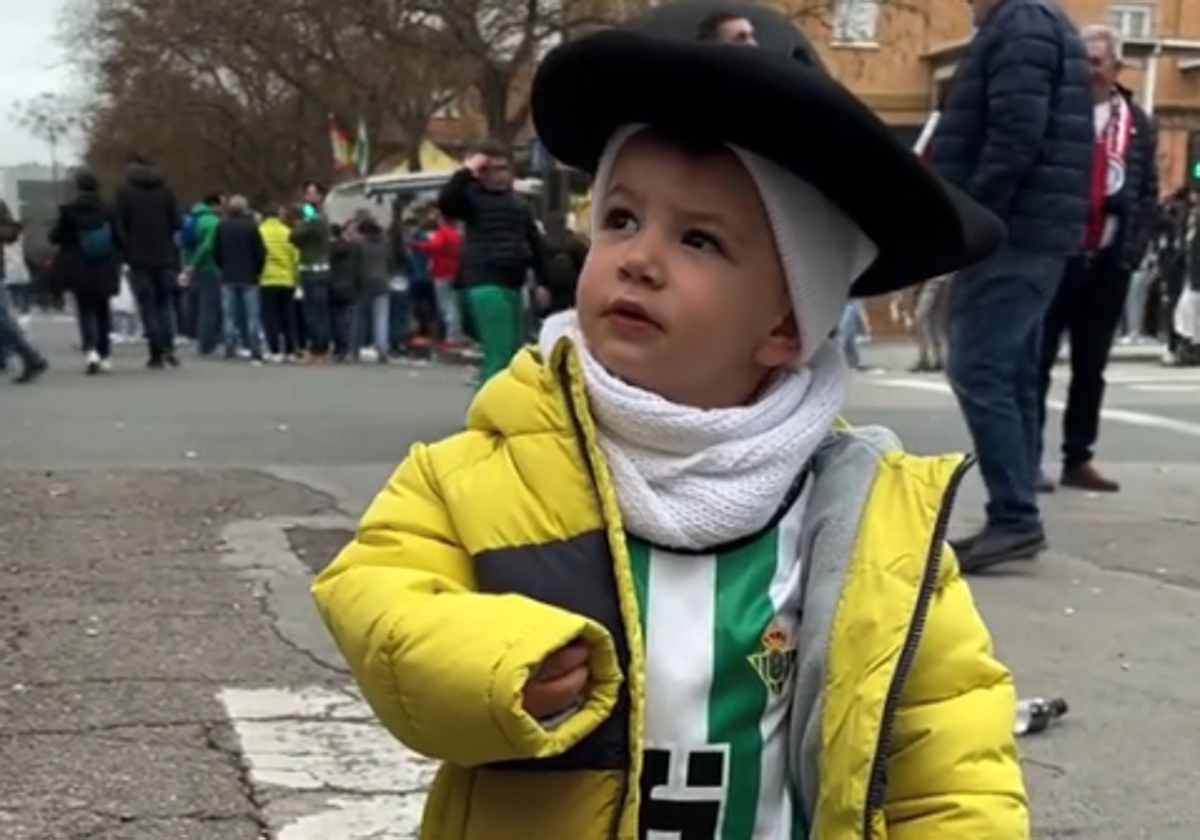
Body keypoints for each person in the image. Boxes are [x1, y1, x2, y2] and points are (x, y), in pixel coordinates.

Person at [312, 5, 1025, 839]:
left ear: (788, 324)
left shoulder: (869, 525)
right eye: (620, 218)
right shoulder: (481, 469)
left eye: (699, 240)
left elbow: (948, 753)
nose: (639, 258)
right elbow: (381, 600)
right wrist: (489, 662)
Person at [927, 0, 1093, 571]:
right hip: (1037, 229)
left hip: (1014, 231)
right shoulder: (1042, 24)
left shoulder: (1021, 25)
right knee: (1014, 369)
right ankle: (1016, 508)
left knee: (980, 366)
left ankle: (1015, 513)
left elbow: (1015, 134)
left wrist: (972, 215)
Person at [1034, 24, 1158, 495]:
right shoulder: (1060, 114)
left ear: (1116, 66)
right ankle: (1028, 459)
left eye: (1096, 60)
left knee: (1091, 367)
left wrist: (1131, 251)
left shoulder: (1138, 122)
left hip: (1107, 262)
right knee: (1038, 362)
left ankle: (1078, 457)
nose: (1088, 69)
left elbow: (1147, 192)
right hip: (1057, 257)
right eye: (1081, 60)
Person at [438, 141, 550, 387]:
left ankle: (497, 404)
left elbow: (536, 244)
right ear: (481, 173)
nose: (499, 175)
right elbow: (446, 200)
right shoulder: (471, 199)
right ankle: (488, 412)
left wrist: (544, 281)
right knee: (499, 351)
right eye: (490, 169)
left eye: (503, 168)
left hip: (513, 282)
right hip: (482, 280)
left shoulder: (520, 204)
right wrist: (467, 170)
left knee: (510, 351)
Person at [49, 168, 124, 374]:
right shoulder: (109, 209)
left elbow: (54, 237)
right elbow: (120, 237)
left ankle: (90, 351)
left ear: (78, 187)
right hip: (105, 266)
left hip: (78, 267)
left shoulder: (68, 211)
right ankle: (105, 354)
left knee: (84, 310)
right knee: (103, 310)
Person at [115, 153, 183, 368]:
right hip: (164, 256)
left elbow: (119, 225)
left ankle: (156, 352)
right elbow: (177, 223)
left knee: (148, 305)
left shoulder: (124, 193)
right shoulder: (166, 192)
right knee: (165, 304)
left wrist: (125, 248)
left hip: (138, 258)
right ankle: (169, 347)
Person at [213, 195, 267, 363]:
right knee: (252, 315)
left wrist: (222, 266)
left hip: (228, 274)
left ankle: (229, 347)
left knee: (229, 314)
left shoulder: (222, 226)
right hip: (249, 275)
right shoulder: (251, 226)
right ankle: (254, 348)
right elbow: (260, 251)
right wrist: (258, 269)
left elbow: (216, 250)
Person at [291, 181, 333, 364]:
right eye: (306, 193)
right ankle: (320, 349)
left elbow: (295, 236)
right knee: (317, 313)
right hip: (312, 268)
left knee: (315, 314)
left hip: (314, 271)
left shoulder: (317, 219)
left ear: (320, 196)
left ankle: (318, 351)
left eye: (312, 193)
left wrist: (300, 222)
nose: (307, 197)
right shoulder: (314, 216)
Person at [410, 209, 464, 345]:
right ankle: (456, 334)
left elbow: (435, 246)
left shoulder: (444, 232)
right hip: (455, 272)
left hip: (441, 272)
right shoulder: (458, 233)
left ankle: (451, 337)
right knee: (454, 304)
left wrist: (416, 245)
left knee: (446, 305)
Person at [181, 193, 225, 357]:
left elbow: (184, 245)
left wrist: (187, 265)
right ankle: (208, 344)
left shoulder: (191, 218)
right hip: (211, 267)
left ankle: (199, 338)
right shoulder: (213, 222)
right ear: (214, 205)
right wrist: (195, 263)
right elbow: (208, 246)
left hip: (194, 268)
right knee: (210, 307)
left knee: (198, 305)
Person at [259, 203, 300, 363]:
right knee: (288, 316)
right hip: (286, 279)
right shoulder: (288, 233)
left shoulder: (260, 232)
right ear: (279, 216)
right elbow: (295, 257)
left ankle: (274, 350)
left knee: (270, 316)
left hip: (266, 279)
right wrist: (296, 279)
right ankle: (290, 350)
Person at [352, 213, 393, 363]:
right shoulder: (385, 244)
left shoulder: (360, 245)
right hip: (382, 280)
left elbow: (356, 264)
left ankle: (354, 348)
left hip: (364, 282)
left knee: (359, 317)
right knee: (381, 317)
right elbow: (390, 261)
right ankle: (382, 349)